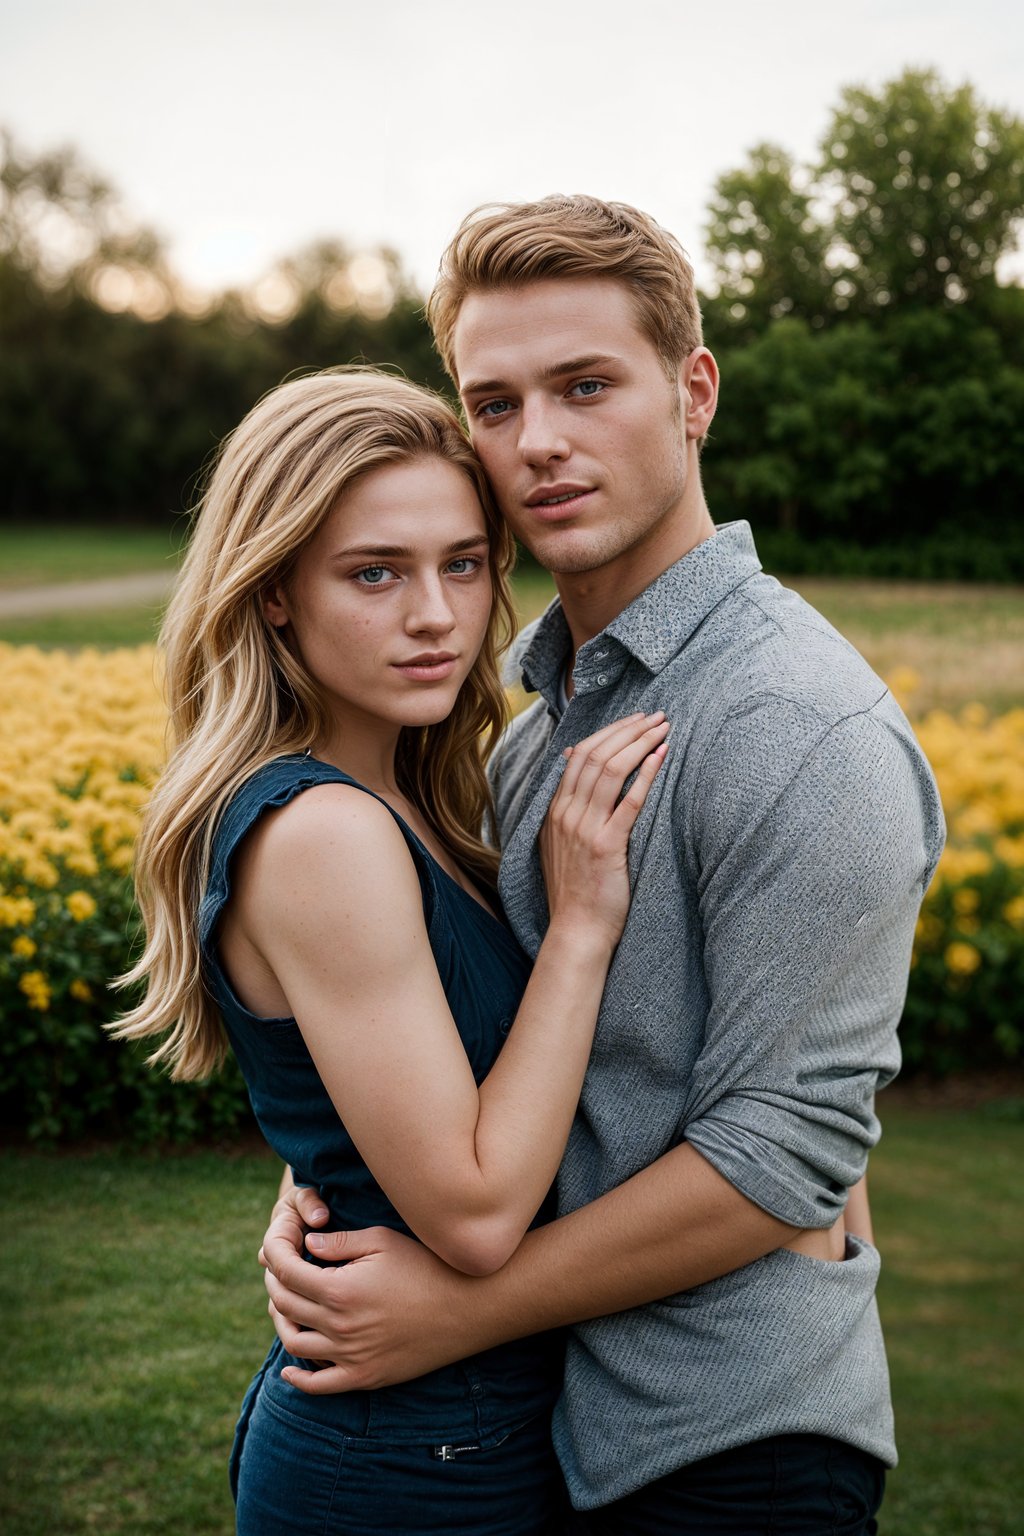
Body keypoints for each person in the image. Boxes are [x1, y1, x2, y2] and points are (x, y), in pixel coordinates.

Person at [260, 197, 946, 1534]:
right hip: (548, 1435)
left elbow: (789, 1155)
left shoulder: (799, 726)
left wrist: (454, 1310)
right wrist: (332, 1181)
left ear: (693, 392)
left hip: (731, 1446)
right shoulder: (532, 734)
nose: (540, 443)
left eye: (586, 386)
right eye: (496, 403)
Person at [109, 367, 670, 1534]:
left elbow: (368, 1090)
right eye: (375, 572)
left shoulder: (404, 796)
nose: (435, 615)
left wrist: (312, 1174)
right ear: (273, 593)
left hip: (468, 1430)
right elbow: (470, 1216)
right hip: (410, 1462)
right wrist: (578, 930)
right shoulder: (323, 831)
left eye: (463, 563)